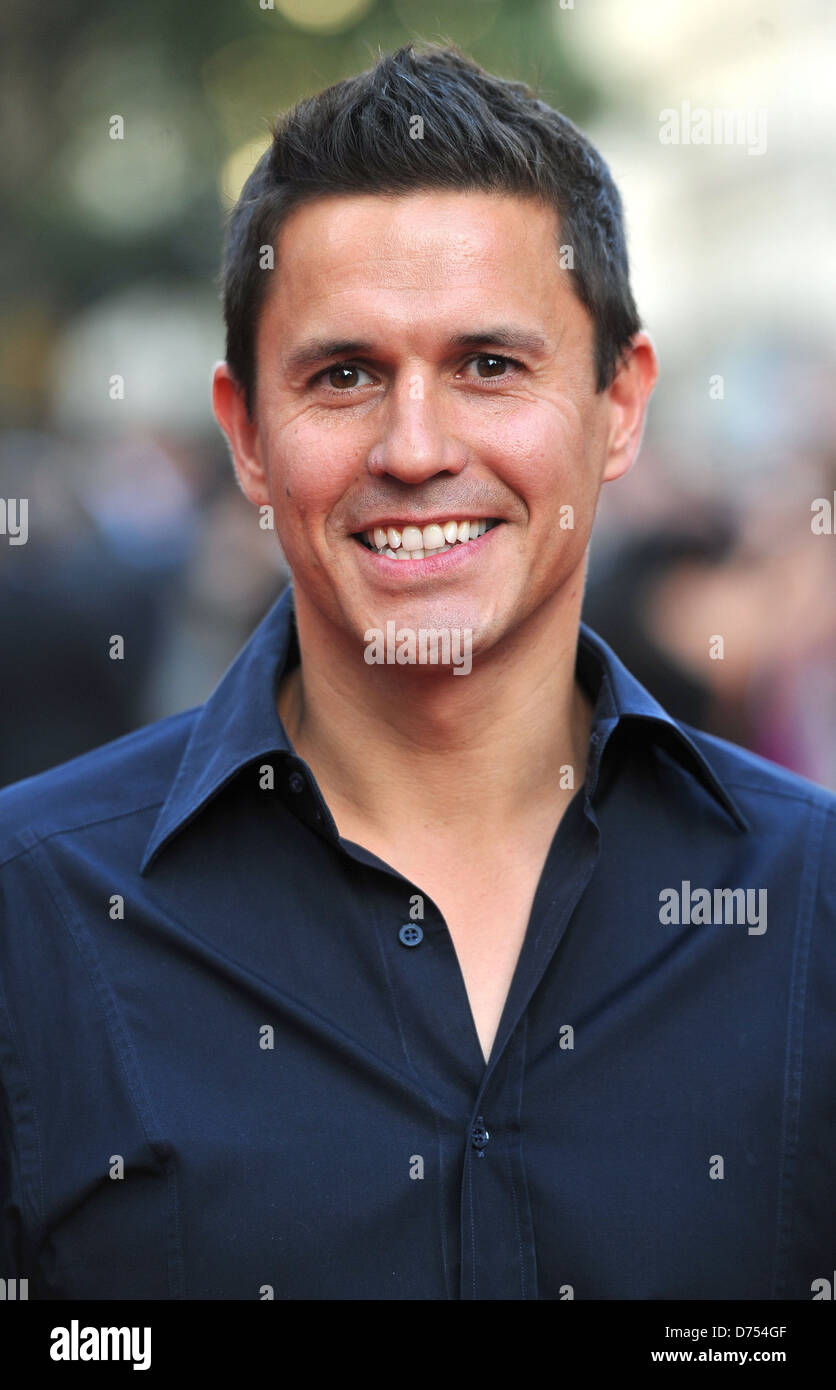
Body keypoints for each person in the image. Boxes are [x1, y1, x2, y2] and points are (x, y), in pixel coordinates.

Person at [1, 42, 833, 1302]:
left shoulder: (809, 902)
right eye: (343, 376)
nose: (414, 447)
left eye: (488, 366)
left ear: (618, 406)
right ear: (246, 434)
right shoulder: (33, 912)